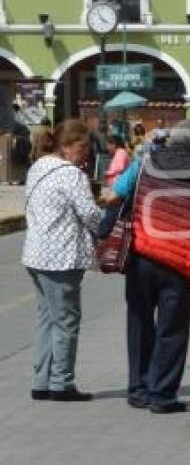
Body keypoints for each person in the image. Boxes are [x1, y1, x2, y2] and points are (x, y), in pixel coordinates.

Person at [103, 119, 190, 414]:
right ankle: (162, 395)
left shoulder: (144, 164)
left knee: (139, 321)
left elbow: (113, 195)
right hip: (180, 264)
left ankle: (138, 390)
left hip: (141, 257)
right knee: (172, 329)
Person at [22, 120, 102, 402]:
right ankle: (61, 383)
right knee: (66, 321)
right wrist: (108, 228)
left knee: (47, 319)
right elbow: (90, 214)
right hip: (61, 257)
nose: (86, 154)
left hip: (35, 253)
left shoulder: (38, 167)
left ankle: (41, 380)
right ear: (67, 147)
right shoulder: (71, 174)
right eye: (82, 148)